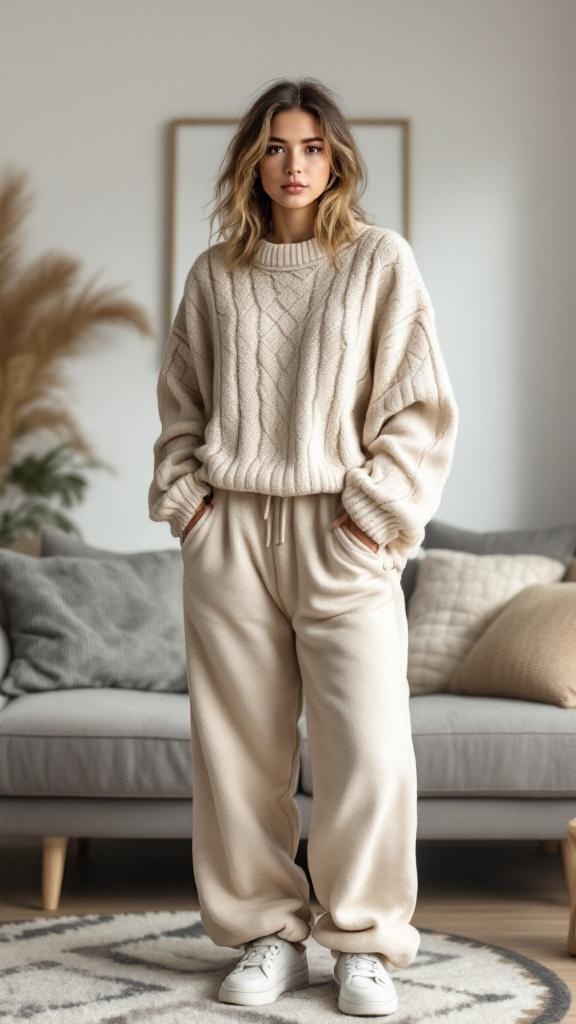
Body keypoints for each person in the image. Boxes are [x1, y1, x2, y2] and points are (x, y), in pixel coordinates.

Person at [148, 77, 459, 1017]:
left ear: (339, 159)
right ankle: (262, 933)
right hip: (230, 533)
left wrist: (374, 516)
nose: (295, 165)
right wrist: (191, 507)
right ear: (253, 158)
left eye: (314, 147)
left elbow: (419, 408)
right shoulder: (214, 275)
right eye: (277, 146)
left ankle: (361, 941)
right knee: (237, 752)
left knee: (368, 747)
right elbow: (181, 409)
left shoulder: (379, 263)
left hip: (342, 533)